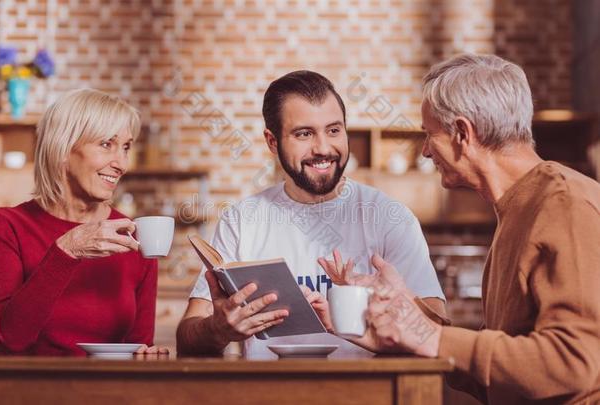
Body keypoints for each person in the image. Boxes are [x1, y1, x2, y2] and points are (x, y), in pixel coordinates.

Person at [319, 54, 600, 404]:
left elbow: (574, 363)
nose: (424, 151)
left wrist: (431, 337)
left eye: (429, 134)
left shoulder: (565, 204)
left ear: (463, 134)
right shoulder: (516, 210)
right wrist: (408, 324)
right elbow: (499, 372)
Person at [177, 70, 447, 358]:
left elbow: (437, 335)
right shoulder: (242, 220)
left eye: (333, 130)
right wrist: (216, 330)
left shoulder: (391, 217)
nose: (323, 148)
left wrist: (396, 308)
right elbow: (187, 340)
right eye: (304, 134)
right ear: (272, 142)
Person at [0, 89, 167, 356]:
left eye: (126, 147)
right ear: (62, 149)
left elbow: (139, 345)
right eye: (107, 144)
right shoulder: (6, 227)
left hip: (109, 394)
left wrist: (148, 357)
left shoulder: (133, 234)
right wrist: (66, 251)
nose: (121, 164)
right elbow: (12, 336)